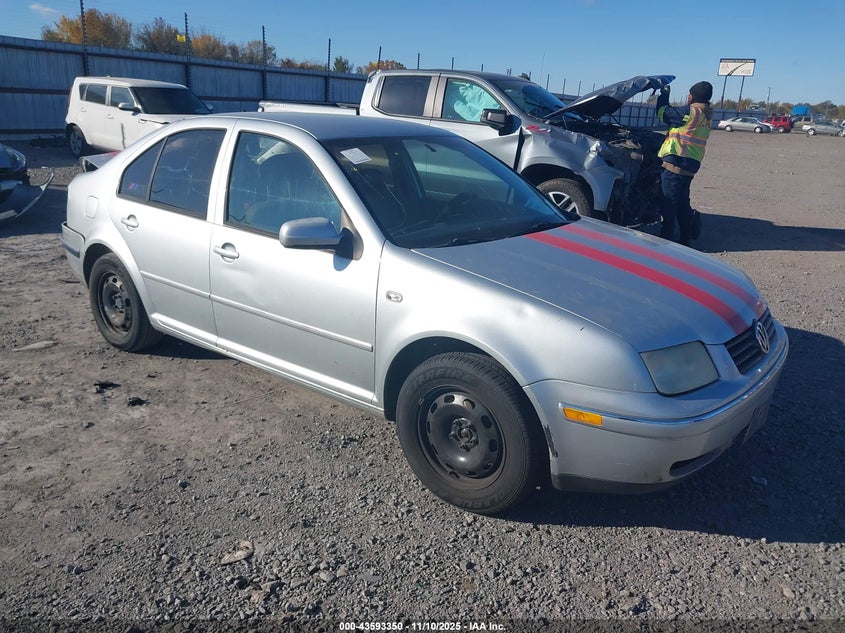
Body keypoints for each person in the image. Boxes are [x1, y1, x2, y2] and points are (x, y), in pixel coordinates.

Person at [655, 81, 713, 247]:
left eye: (689, 94)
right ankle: (686, 239)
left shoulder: (691, 112)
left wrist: (664, 94)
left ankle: (665, 240)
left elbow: (662, 113)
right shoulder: (706, 113)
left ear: (694, 96)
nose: (687, 96)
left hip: (676, 163)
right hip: (690, 164)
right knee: (682, 202)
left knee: (669, 203)